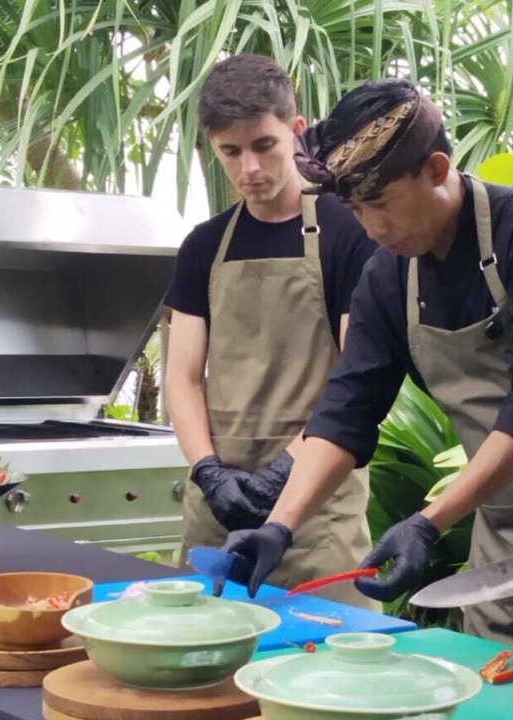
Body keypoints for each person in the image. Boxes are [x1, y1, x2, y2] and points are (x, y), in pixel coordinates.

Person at [216, 78, 513, 644]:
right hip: (505, 540)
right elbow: (346, 412)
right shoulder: (387, 275)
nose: (373, 228)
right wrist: (280, 525)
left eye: (380, 203)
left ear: (435, 168)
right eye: (356, 210)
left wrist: (428, 523)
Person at [164, 54, 379, 608]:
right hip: (218, 513)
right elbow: (183, 378)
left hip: (316, 512)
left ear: (296, 131)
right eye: (229, 152)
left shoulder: (348, 233)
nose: (248, 169)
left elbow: (356, 382)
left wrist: (288, 468)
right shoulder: (204, 246)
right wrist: (208, 473)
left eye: (264, 146)